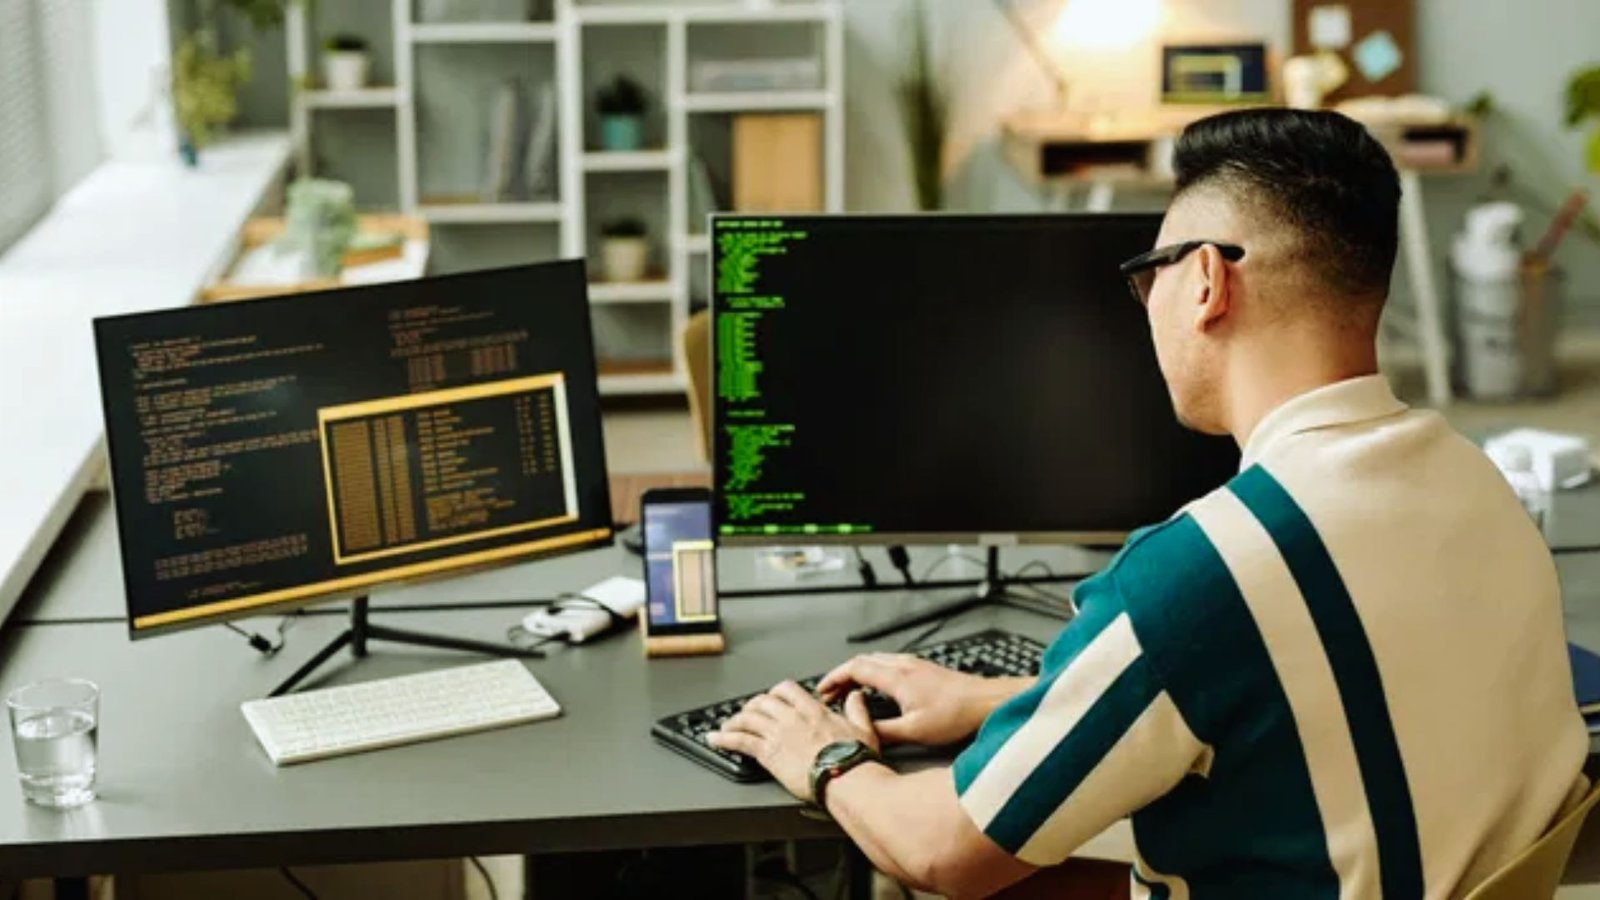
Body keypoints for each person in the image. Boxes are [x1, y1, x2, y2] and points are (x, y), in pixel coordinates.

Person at [707, 107, 1587, 899]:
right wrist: (997, 700)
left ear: (1205, 281)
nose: (1147, 306)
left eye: (1147, 274)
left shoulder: (1201, 570)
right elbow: (1328, 683)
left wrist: (821, 753)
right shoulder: (1477, 485)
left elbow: (945, 853)